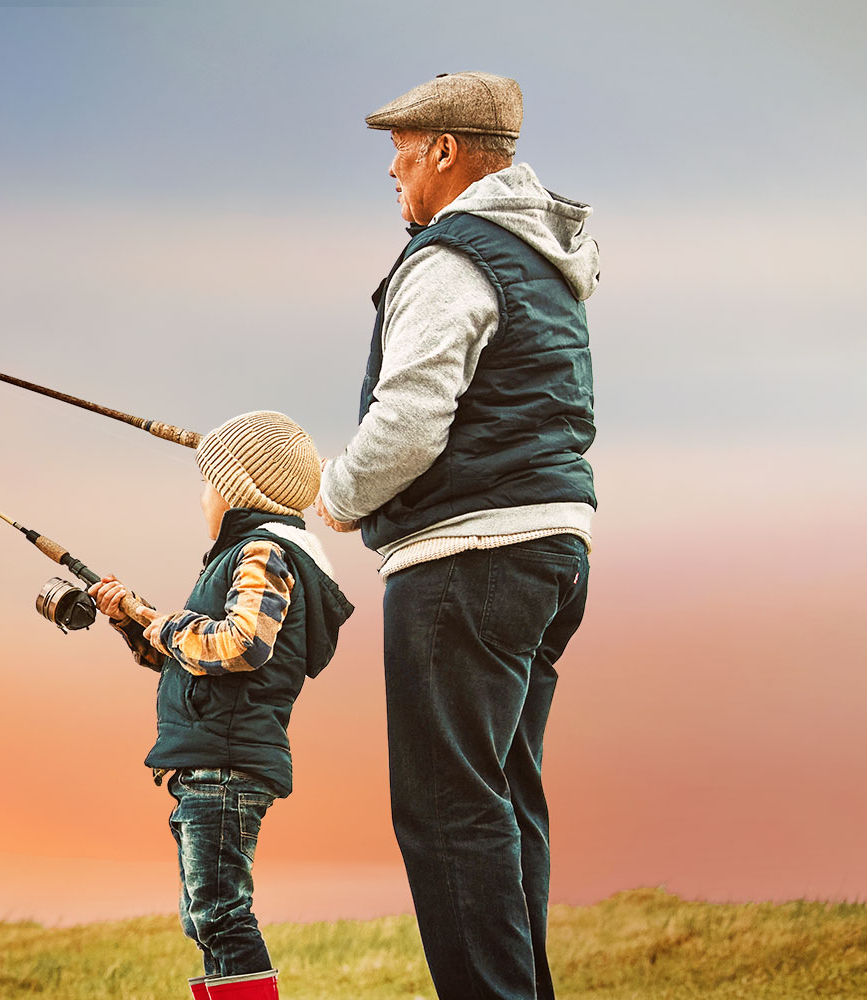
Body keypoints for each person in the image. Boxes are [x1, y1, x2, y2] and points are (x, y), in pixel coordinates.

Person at [317, 71, 600, 1000]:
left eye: (401, 145)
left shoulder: (450, 257)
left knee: (448, 812)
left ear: (445, 151)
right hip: (552, 554)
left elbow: (408, 421)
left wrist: (338, 495)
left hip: (465, 562)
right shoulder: (543, 258)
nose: (391, 165)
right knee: (505, 801)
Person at [84, 411, 355, 1000]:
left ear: (237, 493)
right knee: (205, 917)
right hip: (210, 760)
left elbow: (242, 644)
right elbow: (199, 656)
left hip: (224, 765)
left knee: (222, 915)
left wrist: (164, 623)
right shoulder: (244, 557)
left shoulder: (262, 554)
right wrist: (135, 623)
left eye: (209, 484)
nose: (201, 498)